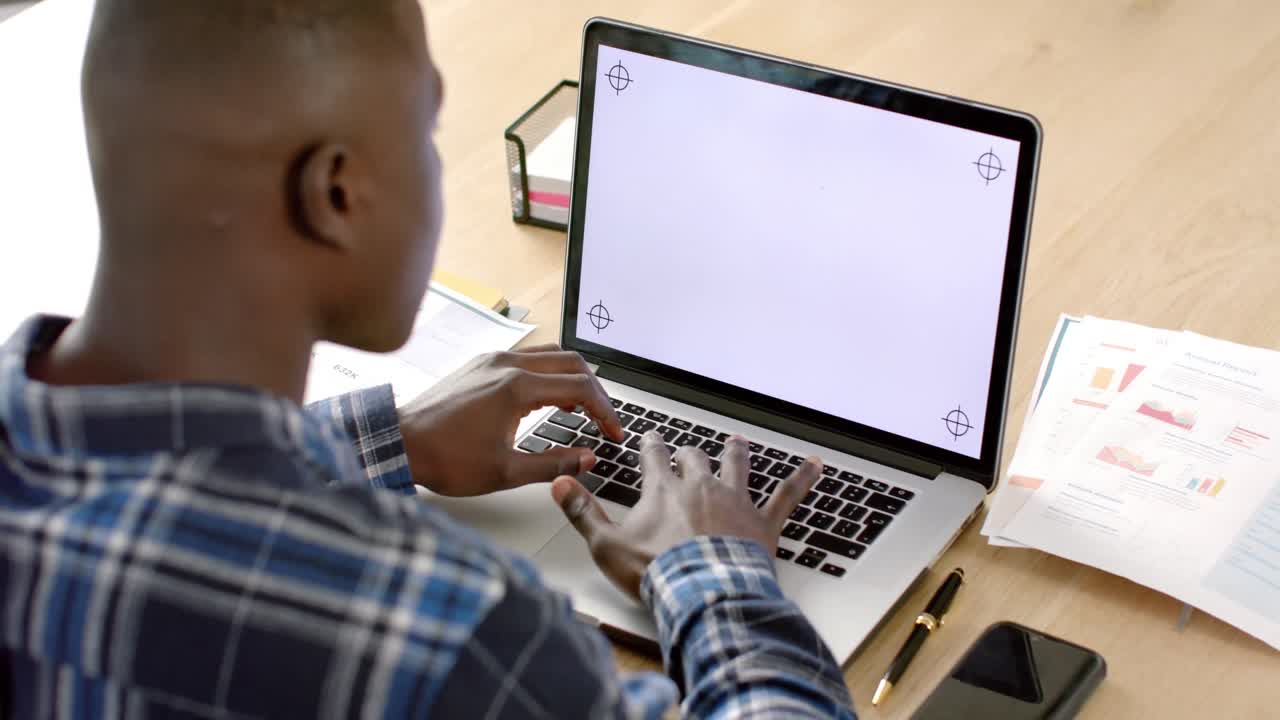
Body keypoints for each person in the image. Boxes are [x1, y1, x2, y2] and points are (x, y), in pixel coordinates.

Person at [0, 1, 857, 717]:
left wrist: (377, 440)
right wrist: (712, 571)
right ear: (338, 194)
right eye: (428, 128)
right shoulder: (451, 639)